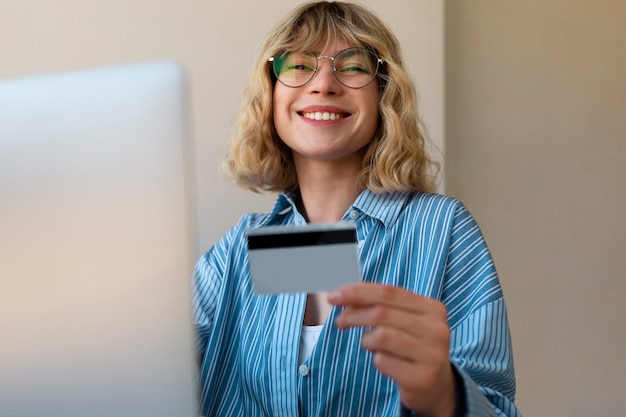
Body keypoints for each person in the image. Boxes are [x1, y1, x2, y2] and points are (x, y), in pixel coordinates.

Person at [192, 2, 522, 416]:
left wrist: (442, 394)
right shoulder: (240, 251)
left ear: (384, 92)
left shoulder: (441, 229)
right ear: (271, 93)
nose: (324, 83)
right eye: (299, 65)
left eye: (352, 66)